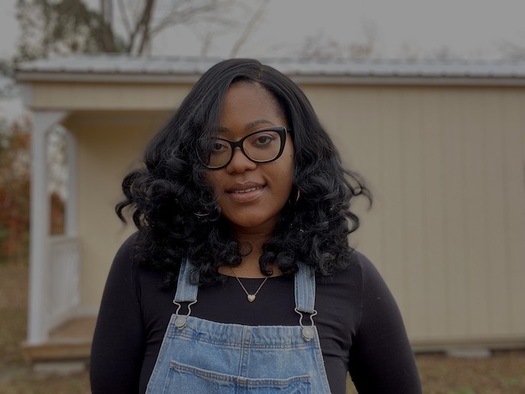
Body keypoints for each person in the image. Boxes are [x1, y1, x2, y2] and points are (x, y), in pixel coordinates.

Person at [90, 58, 422, 393]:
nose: (239, 162)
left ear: (299, 150)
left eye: (262, 140)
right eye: (215, 146)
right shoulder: (145, 265)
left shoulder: (349, 278)